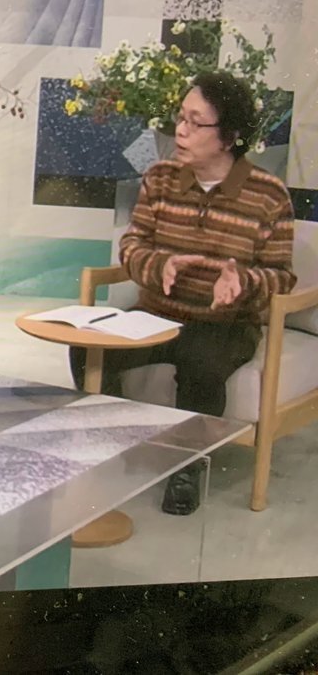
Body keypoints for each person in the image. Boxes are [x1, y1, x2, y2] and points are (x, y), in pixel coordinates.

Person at [70, 70, 296, 516]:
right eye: (180, 117)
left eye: (196, 122)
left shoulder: (269, 195)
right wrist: (160, 265)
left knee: (201, 363)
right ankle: (120, 438)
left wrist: (243, 282)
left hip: (224, 322)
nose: (181, 130)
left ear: (228, 136)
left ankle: (187, 467)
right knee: (86, 348)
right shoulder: (160, 177)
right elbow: (133, 245)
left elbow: (281, 277)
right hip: (157, 313)